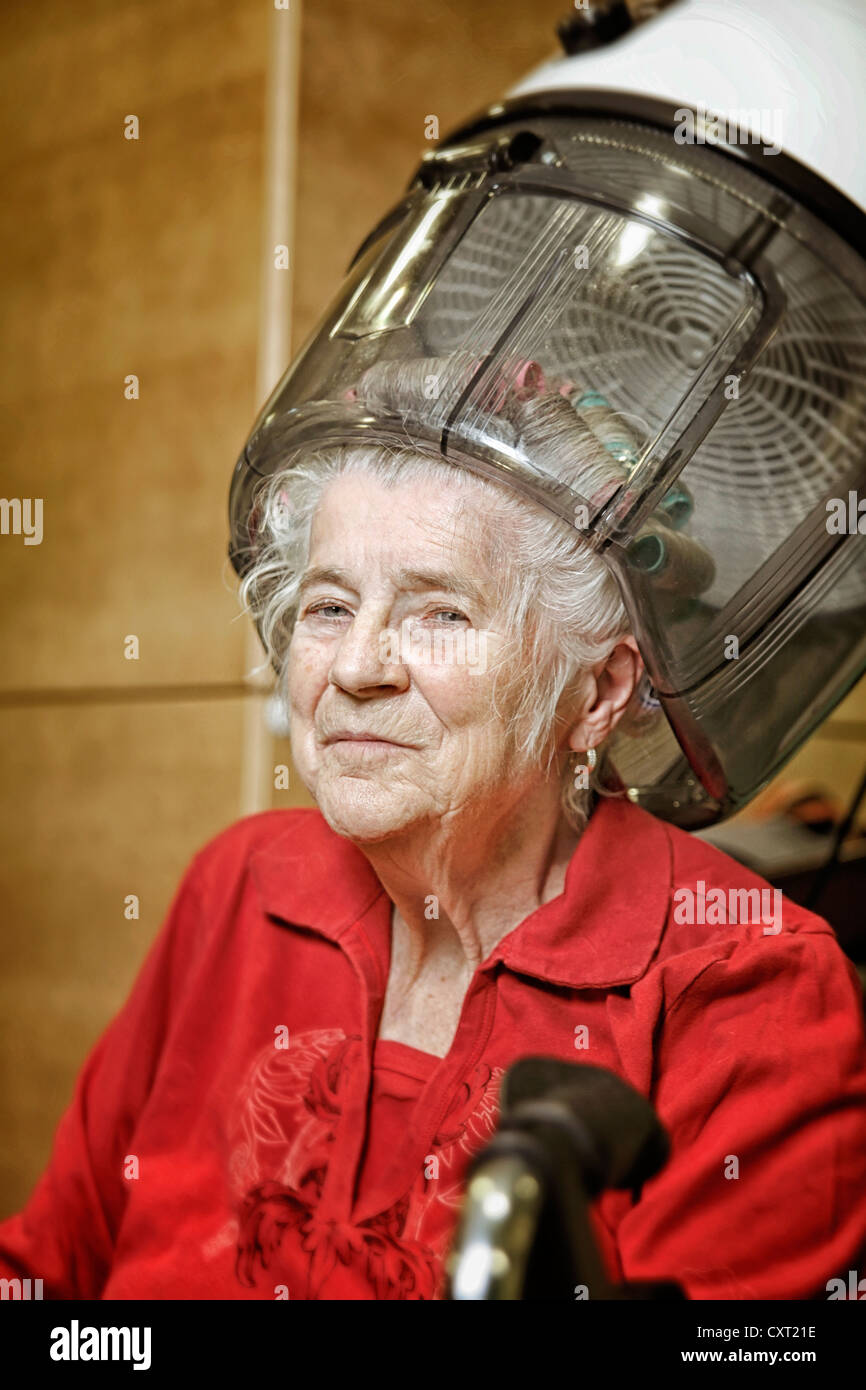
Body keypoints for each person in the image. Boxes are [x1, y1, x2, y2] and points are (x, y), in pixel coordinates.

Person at [1, 365, 865, 1301]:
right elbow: (48, 1269)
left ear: (599, 693)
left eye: (440, 614)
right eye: (329, 607)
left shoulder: (749, 987)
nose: (356, 667)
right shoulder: (240, 886)